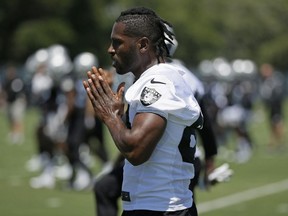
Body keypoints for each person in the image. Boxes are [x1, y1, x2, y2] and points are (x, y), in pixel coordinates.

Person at [83, 6, 202, 216]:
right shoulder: (156, 79)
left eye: (117, 42)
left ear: (143, 45)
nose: (110, 49)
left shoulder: (157, 84)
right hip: (154, 206)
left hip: (160, 208)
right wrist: (119, 117)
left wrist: (110, 116)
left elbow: (137, 151)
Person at [259, 63, 286, 151]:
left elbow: (277, 94)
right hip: (271, 106)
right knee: (272, 125)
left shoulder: (275, 80)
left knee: (277, 124)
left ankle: (279, 143)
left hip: (276, 106)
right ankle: (273, 144)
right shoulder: (265, 81)